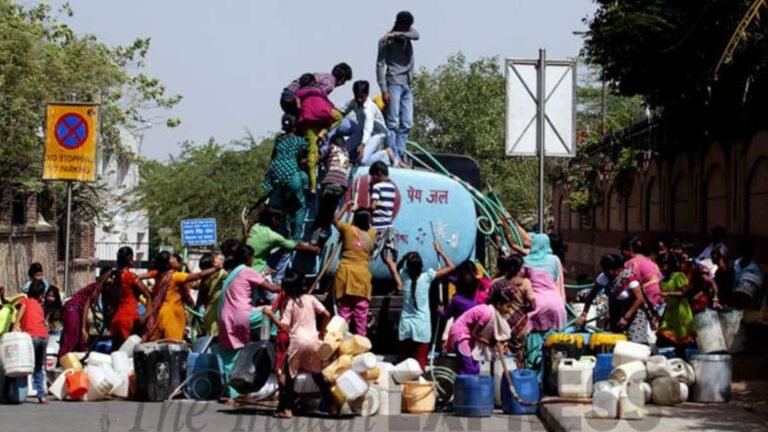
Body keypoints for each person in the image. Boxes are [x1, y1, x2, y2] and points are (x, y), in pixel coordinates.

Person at [216, 241, 281, 397]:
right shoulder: (247, 270)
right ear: (249, 258)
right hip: (242, 315)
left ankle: (233, 395)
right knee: (275, 315)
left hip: (225, 317)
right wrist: (290, 285)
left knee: (231, 357)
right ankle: (273, 339)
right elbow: (272, 288)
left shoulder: (232, 273)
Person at [274, 270, 333, 419]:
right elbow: (327, 314)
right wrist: (322, 331)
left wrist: (270, 316)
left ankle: (287, 409)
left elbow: (285, 327)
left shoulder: (290, 303)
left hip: (297, 342)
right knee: (318, 375)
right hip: (313, 341)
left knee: (289, 377)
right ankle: (332, 406)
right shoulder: (311, 299)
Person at [398, 242, 454, 370]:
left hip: (406, 326)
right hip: (421, 326)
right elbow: (451, 267)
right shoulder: (426, 277)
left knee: (404, 363)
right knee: (420, 362)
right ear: (421, 266)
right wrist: (440, 251)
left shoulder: (404, 277)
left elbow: (398, 268)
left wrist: (404, 257)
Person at [142, 252, 220, 342]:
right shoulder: (175, 276)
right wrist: (215, 268)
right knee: (172, 344)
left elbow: (137, 277)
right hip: (172, 315)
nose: (175, 259)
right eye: (172, 258)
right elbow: (198, 275)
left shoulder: (159, 274)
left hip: (160, 313)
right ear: (168, 264)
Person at [245, 207, 319, 300]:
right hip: (257, 268)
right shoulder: (272, 236)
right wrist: (313, 249)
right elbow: (295, 246)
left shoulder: (256, 227)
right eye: (279, 220)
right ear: (273, 219)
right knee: (272, 298)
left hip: (251, 264)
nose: (280, 224)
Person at [377, 11, 420, 167]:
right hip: (393, 82)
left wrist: (396, 35)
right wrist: (384, 89)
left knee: (407, 122)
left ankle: (399, 154)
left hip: (407, 83)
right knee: (393, 122)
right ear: (399, 24)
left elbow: (417, 35)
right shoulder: (384, 41)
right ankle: (392, 156)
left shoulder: (406, 36)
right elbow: (380, 65)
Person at [578, 254, 652, 344]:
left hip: (634, 312)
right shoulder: (604, 277)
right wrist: (584, 314)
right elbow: (591, 295)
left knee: (635, 343)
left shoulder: (630, 279)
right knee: (614, 341)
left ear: (619, 269)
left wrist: (626, 318)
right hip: (615, 312)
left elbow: (639, 299)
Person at [262, 114, 310, 240]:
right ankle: (296, 237)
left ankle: (275, 232)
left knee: (278, 204)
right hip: (291, 174)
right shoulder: (300, 141)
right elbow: (304, 156)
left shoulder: (279, 140)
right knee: (300, 206)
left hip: (275, 174)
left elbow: (274, 156)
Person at [446, 289, 515, 375]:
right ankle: (465, 387)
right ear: (499, 304)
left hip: (467, 335)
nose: (509, 310)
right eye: (508, 306)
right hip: (461, 334)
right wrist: (489, 342)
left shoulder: (494, 313)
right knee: (469, 369)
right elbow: (474, 334)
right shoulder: (488, 313)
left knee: (475, 367)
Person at [295, 74, 344, 192]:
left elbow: (298, 107)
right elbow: (329, 104)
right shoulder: (319, 90)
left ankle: (313, 186)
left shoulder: (298, 93)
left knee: (312, 153)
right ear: (313, 82)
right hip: (322, 116)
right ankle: (324, 131)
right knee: (339, 118)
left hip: (308, 121)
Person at [334, 204, 376, 335]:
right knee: (361, 315)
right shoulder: (372, 233)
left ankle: (341, 345)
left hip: (345, 275)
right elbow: (371, 224)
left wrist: (345, 207)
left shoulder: (347, 229)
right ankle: (360, 343)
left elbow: (335, 220)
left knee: (344, 313)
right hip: (362, 278)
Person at [488, 255, 536, 368]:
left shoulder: (495, 283)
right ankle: (519, 374)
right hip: (520, 325)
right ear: (520, 268)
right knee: (519, 353)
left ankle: (503, 375)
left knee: (502, 352)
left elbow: (489, 303)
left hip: (501, 324)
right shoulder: (525, 283)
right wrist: (521, 311)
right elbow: (533, 306)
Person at [58, 272, 111, 358]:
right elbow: (86, 306)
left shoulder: (104, 291)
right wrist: (83, 328)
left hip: (78, 311)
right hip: (73, 308)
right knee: (71, 336)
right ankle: (63, 358)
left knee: (81, 339)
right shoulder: (97, 287)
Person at [311, 134, 351, 246]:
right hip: (342, 185)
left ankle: (313, 240)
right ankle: (324, 235)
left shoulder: (331, 148)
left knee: (321, 212)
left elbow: (319, 158)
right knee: (330, 212)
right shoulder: (346, 152)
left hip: (330, 182)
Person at [12, 280, 49, 403]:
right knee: (38, 367)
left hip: (31, 337)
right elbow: (43, 323)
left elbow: (20, 308)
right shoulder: (40, 307)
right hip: (43, 337)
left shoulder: (25, 301)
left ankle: (14, 393)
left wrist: (16, 325)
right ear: (41, 294)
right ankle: (42, 395)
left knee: (20, 364)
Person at [342, 80, 394, 166]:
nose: (359, 99)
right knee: (344, 152)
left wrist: (362, 145)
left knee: (363, 161)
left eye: (361, 97)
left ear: (366, 94)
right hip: (361, 130)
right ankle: (355, 159)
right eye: (357, 96)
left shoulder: (369, 109)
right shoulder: (353, 102)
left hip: (376, 133)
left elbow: (368, 128)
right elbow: (342, 111)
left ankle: (384, 155)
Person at [109, 247, 152, 349]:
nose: (133, 260)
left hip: (117, 318)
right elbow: (147, 294)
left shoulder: (116, 277)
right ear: (129, 260)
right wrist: (148, 314)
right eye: (132, 258)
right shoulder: (130, 276)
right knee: (128, 354)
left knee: (116, 353)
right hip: (130, 318)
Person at [524, 233, 566, 333]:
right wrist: (562, 304)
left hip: (535, 304)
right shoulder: (555, 260)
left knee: (533, 340)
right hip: (555, 303)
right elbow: (559, 283)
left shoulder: (525, 261)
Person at [368, 162, 401, 288]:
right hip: (389, 226)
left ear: (379, 174)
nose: (371, 179)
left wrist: (365, 211)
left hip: (378, 226)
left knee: (367, 254)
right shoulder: (392, 187)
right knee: (388, 258)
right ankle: (399, 284)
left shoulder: (377, 187)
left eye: (373, 176)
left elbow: (373, 206)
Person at [656, 254, 696, 354]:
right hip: (670, 312)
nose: (661, 268)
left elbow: (685, 293)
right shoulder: (662, 281)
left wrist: (668, 293)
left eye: (663, 264)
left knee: (681, 342)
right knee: (663, 337)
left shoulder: (678, 276)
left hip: (680, 312)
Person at [280, 64, 353, 115]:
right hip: (294, 98)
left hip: (286, 94)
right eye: (345, 81)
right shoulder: (330, 84)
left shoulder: (324, 76)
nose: (343, 84)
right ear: (342, 79)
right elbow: (316, 97)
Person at [621, 237, 665, 310]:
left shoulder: (632, 263)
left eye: (622, 250)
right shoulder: (645, 259)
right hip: (657, 296)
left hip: (648, 299)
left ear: (628, 250)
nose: (621, 253)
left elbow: (630, 283)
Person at [197, 251, 228, 337]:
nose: (219, 259)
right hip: (215, 312)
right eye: (216, 258)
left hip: (209, 312)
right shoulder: (220, 273)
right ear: (213, 264)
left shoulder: (206, 278)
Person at [732, 239, 763, 309]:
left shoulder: (754, 269)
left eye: (749, 251)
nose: (747, 253)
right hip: (732, 297)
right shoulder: (735, 264)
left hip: (745, 300)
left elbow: (758, 287)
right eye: (745, 250)